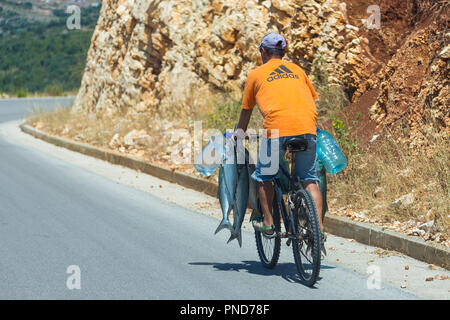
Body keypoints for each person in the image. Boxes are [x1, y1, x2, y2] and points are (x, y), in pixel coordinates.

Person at [235, 32, 326, 250]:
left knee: (264, 176)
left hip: (276, 130)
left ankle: (268, 223)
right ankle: (319, 229)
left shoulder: (256, 74)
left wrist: (239, 134)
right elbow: (310, 99)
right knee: (309, 180)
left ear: (263, 52)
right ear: (283, 52)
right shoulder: (297, 70)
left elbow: (246, 111)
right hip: (307, 128)